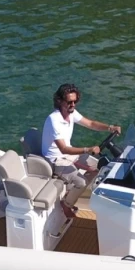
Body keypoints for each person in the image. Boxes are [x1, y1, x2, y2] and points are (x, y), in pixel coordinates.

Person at [41, 83, 121, 218]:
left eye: (75, 101)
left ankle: (70, 193)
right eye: (69, 102)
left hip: (69, 156)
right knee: (81, 182)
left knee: (99, 168)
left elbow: (90, 124)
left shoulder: (71, 113)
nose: (73, 105)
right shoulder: (54, 120)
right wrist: (87, 149)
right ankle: (66, 204)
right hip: (56, 160)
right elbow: (63, 149)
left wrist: (110, 127)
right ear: (60, 101)